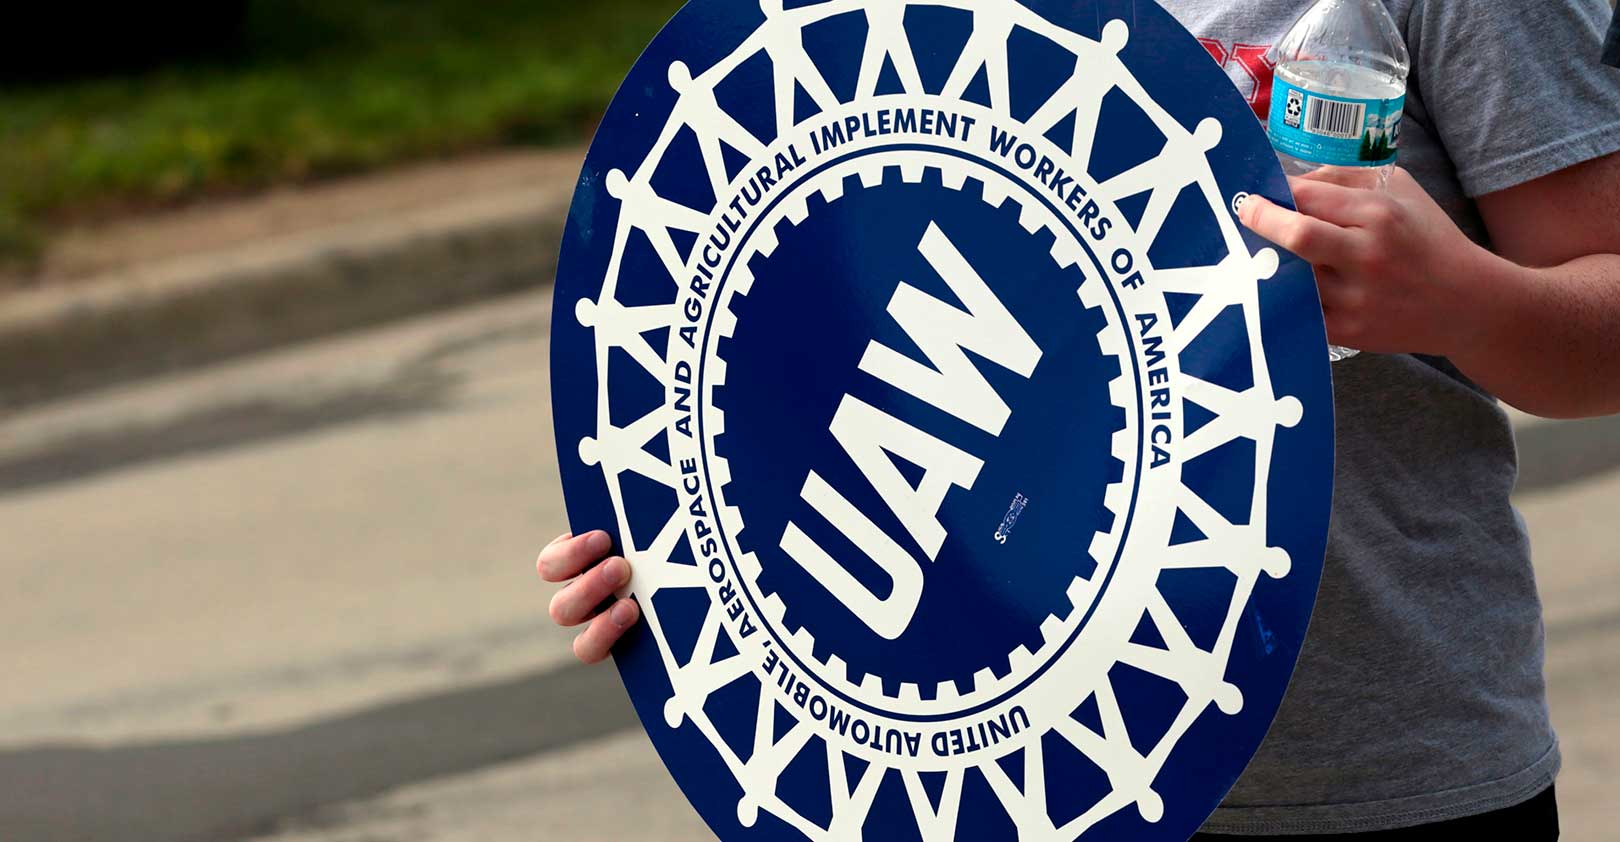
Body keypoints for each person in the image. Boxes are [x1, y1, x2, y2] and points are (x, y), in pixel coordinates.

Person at [538, 1, 1620, 838]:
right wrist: (681, 555)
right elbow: (816, 319)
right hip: (988, 792)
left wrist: (1474, 300)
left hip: (1375, 785)